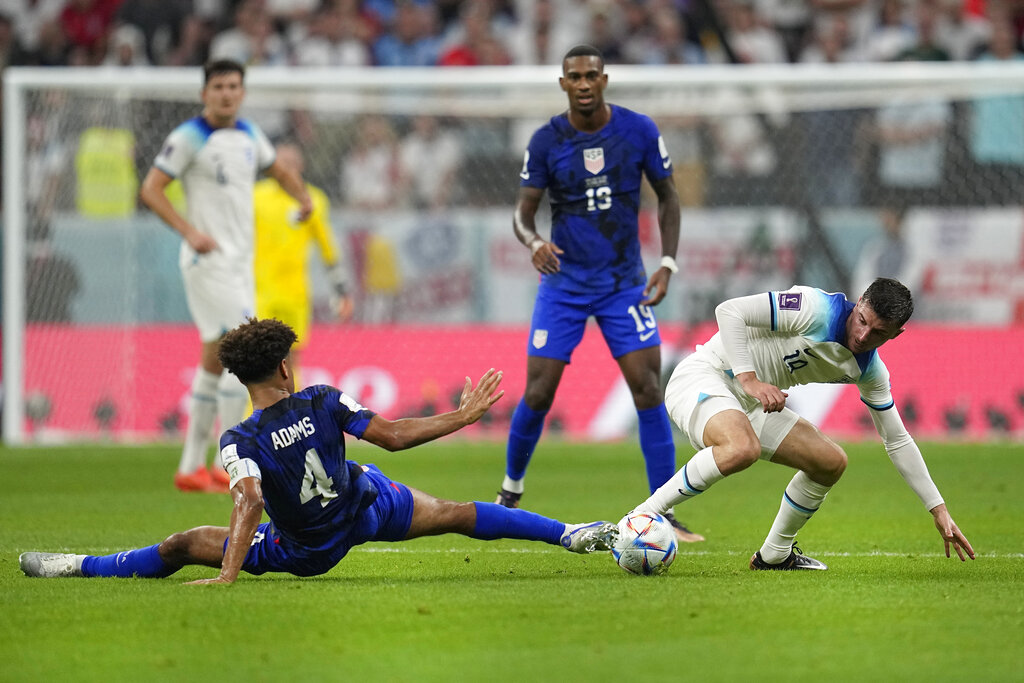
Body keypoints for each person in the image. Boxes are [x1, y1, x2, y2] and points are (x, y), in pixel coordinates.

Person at [18, 318, 619, 582]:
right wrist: (462, 416)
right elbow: (395, 436)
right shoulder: (324, 400)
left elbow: (249, 498)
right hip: (370, 505)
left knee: (179, 545)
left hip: (304, 549)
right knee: (459, 514)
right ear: (284, 366)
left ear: (242, 379)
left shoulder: (238, 440)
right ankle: (572, 532)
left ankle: (77, 566)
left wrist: (228, 573)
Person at [493, 45, 704, 544]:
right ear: (563, 84)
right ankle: (510, 490)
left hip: (623, 283)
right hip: (564, 284)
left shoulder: (638, 130)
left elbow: (669, 196)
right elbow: (523, 213)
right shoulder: (547, 140)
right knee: (539, 391)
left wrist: (667, 263)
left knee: (648, 388)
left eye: (592, 75)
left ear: (604, 79)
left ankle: (663, 511)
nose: (584, 83)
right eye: (575, 77)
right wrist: (535, 240)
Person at [629, 278, 975, 570]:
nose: (863, 335)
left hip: (753, 405)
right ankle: (640, 517)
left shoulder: (870, 370)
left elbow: (896, 439)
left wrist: (938, 508)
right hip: (706, 376)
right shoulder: (814, 307)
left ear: (896, 335)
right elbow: (729, 311)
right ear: (858, 305)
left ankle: (775, 555)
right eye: (862, 320)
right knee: (742, 448)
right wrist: (749, 379)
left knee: (830, 462)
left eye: (878, 332)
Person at [139, 59, 313, 494]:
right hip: (209, 260)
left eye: (233, 86)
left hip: (238, 263)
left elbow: (279, 170)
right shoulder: (189, 136)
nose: (226, 93)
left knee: (214, 357)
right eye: (218, 86)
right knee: (245, 350)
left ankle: (191, 467)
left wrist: (303, 197)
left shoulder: (250, 135)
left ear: (242, 91)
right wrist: (189, 231)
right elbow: (151, 188)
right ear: (205, 93)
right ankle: (222, 462)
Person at [254, 142, 354, 383]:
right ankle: (254, 415)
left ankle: (289, 415)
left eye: (291, 164)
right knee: (258, 355)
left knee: (290, 358)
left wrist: (340, 289)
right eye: (281, 164)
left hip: (295, 293)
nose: (286, 170)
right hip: (259, 291)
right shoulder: (256, 197)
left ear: (301, 167)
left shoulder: (314, 200)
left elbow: (327, 247)